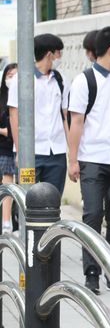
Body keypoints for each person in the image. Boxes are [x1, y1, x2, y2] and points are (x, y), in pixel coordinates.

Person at [67, 26, 110, 295]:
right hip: (92, 160)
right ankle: (92, 273)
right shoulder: (83, 81)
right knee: (93, 214)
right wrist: (72, 160)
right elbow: (76, 122)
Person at [8, 34, 69, 195]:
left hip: (56, 152)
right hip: (30, 153)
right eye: (58, 53)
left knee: (53, 201)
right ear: (50, 54)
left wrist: (73, 154)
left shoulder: (60, 80)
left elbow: (65, 116)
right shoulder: (21, 79)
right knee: (26, 200)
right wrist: (20, 151)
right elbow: (14, 115)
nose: (60, 58)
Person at [0, 63, 17, 234]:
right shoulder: (1, 98)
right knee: (7, 182)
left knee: (17, 186)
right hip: (4, 149)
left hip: (20, 148)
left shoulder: (24, 97)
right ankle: (6, 222)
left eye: (16, 75)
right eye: (9, 75)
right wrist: (5, 131)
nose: (12, 78)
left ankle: (13, 221)